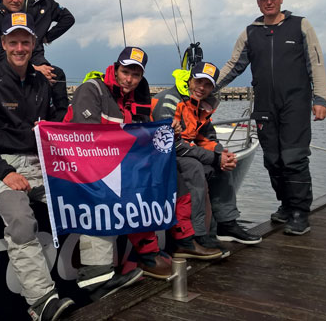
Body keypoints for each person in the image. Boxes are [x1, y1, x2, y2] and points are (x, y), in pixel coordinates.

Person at [0, 13, 141, 321]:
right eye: (13, 42)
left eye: (25, 41)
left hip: (40, 162)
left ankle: (97, 277)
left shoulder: (42, 83)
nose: (20, 48)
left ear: (33, 44)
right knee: (20, 218)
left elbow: (55, 126)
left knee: (94, 195)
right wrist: (7, 173)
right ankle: (40, 301)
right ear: (4, 44)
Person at [65, 47, 221, 278]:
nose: (130, 79)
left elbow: (145, 132)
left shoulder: (139, 95)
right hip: (87, 164)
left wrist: (170, 130)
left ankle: (184, 241)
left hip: (124, 161)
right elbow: (84, 137)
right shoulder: (92, 89)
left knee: (174, 176)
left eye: (136, 75)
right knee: (135, 189)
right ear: (116, 68)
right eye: (126, 71)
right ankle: (147, 254)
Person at [216, 0, 326, 236]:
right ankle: (286, 205)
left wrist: (320, 99)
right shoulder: (250, 32)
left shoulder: (300, 25)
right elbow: (233, 67)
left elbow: (316, 63)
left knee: (294, 158)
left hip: (295, 104)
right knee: (273, 160)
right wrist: (204, 88)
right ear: (258, 2)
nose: (269, 2)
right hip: (265, 106)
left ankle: (300, 212)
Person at [167, 62, 262, 249]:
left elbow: (206, 137)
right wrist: (215, 158)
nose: (202, 88)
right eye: (198, 81)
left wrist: (222, 154)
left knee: (220, 164)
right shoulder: (171, 100)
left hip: (182, 152)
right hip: (164, 156)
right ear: (189, 80)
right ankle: (196, 234)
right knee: (194, 167)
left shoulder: (199, 104)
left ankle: (226, 224)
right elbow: (172, 144)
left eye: (208, 84)